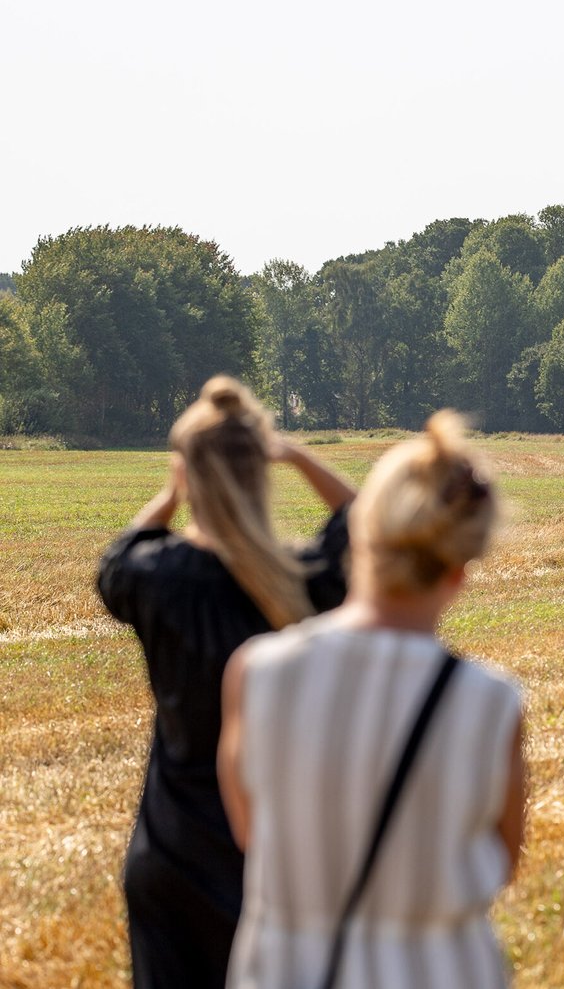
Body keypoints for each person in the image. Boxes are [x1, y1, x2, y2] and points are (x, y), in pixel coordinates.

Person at [218, 410, 525, 989]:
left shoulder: (259, 673)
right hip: (440, 969)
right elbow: (504, 859)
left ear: (359, 534)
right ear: (460, 570)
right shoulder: (491, 701)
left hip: (288, 969)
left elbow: (248, 830)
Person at [96, 375, 356, 989]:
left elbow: (118, 557)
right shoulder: (301, 580)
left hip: (172, 849)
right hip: (274, 856)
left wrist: (171, 492)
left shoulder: (159, 578)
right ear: (261, 472)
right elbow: (363, 522)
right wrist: (295, 455)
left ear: (190, 475)